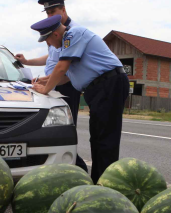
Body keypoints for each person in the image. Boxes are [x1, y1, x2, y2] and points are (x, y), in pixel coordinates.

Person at [30, 15, 129, 183]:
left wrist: (46, 89)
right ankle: (99, 181)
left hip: (108, 84)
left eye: (47, 40)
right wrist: (43, 81)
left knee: (105, 139)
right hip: (98, 88)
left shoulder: (73, 35)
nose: (49, 45)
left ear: (54, 34)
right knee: (97, 138)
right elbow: (65, 77)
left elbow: (61, 68)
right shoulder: (66, 45)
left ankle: (108, 184)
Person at [15, 0, 88, 173]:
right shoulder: (54, 31)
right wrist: (28, 62)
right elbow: (52, 58)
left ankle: (75, 168)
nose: (50, 16)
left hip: (65, 85)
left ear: (63, 10)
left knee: (64, 128)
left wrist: (47, 84)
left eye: (53, 12)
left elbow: (65, 66)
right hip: (53, 84)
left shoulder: (73, 31)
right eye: (47, 13)